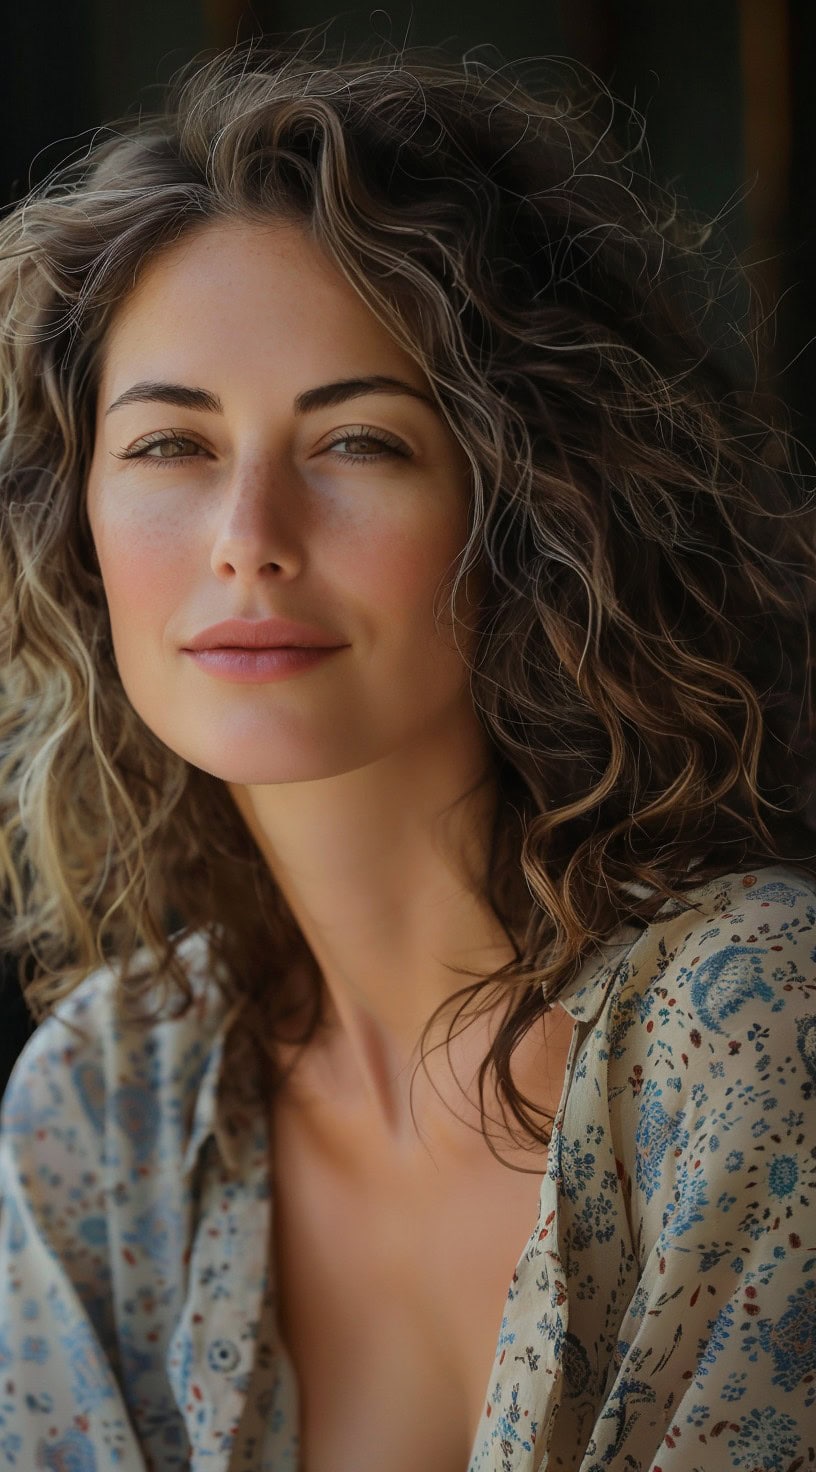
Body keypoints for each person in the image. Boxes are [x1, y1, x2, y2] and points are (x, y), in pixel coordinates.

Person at [0, 31, 814, 1472]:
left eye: (359, 442)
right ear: (75, 528)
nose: (249, 536)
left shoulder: (748, 1023)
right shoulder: (103, 1103)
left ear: (531, 510)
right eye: (171, 448)